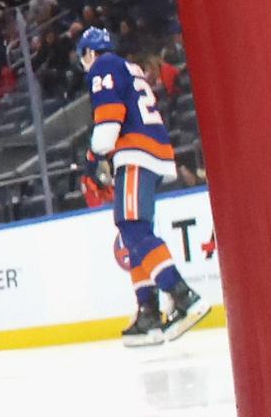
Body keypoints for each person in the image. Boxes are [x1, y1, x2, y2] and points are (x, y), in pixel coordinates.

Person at [80, 25, 211, 347]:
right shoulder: (129, 66)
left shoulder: (102, 65)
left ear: (88, 53)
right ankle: (148, 312)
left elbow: (109, 118)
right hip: (149, 151)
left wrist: (95, 155)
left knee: (132, 226)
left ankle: (183, 296)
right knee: (131, 232)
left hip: (136, 152)